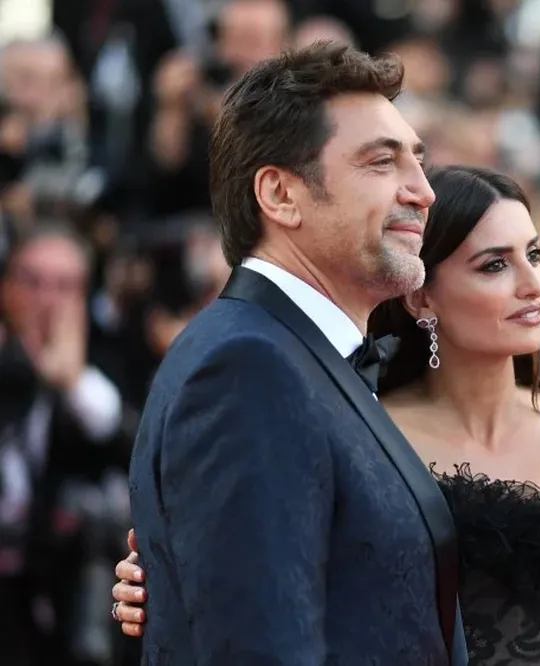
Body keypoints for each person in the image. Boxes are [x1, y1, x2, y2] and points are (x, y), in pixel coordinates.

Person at [116, 164, 540, 665]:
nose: (531, 283)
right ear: (422, 300)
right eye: (493, 265)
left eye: (533, 255)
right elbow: (261, 573)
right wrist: (160, 581)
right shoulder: (357, 427)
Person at [125, 42, 469, 666]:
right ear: (281, 196)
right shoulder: (247, 370)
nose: (424, 192)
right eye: (381, 163)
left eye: (417, 163)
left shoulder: (298, 357)